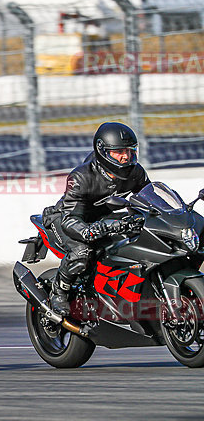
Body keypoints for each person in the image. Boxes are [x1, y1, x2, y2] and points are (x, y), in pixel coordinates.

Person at [46, 122, 149, 315]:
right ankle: (59, 292)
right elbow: (70, 219)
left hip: (103, 217)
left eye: (129, 150)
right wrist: (89, 230)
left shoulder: (136, 172)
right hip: (68, 218)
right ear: (103, 152)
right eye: (118, 151)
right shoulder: (81, 177)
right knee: (82, 253)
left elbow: (149, 198)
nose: (125, 156)